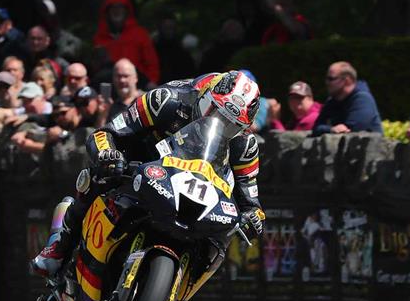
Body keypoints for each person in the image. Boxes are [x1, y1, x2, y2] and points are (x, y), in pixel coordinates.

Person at [30, 70, 266, 278]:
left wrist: (253, 218)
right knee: (99, 174)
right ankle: (60, 245)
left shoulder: (244, 144)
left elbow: (251, 200)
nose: (219, 122)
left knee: (220, 239)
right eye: (214, 110)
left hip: (198, 191)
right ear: (205, 96)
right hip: (144, 162)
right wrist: (108, 154)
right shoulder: (166, 99)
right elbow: (106, 133)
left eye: (231, 124)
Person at [93, 0, 160, 88]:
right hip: (110, 83)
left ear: (126, 11)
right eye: (113, 8)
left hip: (137, 83)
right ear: (107, 12)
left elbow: (151, 62)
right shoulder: (100, 36)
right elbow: (96, 67)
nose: (117, 11)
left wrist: (152, 81)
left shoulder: (140, 34)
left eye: (120, 8)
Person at [312, 62, 382, 136]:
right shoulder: (331, 101)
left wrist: (331, 129)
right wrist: (331, 129)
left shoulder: (363, 100)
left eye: (331, 79)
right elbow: (316, 128)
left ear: (347, 81)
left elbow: (352, 131)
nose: (327, 82)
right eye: (327, 78)